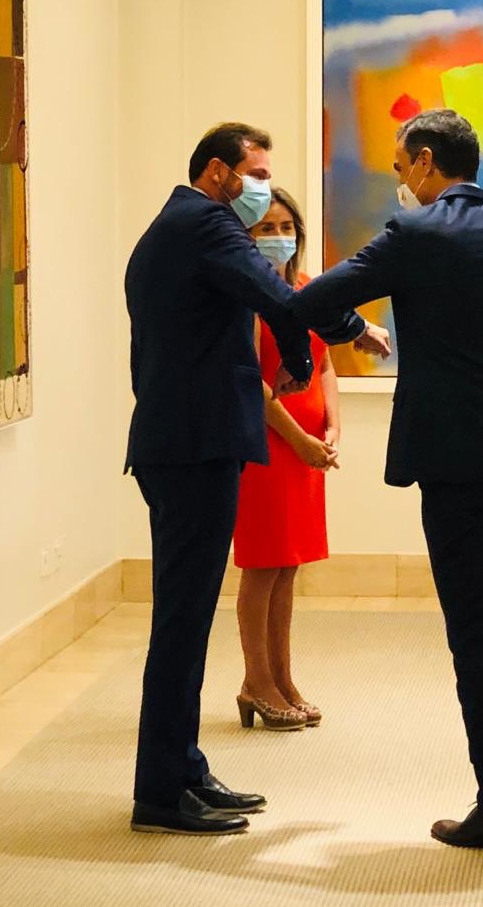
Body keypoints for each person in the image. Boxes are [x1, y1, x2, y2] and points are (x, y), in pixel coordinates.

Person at [292, 109, 483, 854]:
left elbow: (314, 302)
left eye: (401, 168)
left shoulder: (414, 235)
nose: (400, 181)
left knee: (475, 636)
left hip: (455, 469)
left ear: (426, 161)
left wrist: (353, 333)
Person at [124, 123, 390, 836]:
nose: (265, 187)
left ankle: (183, 770)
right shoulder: (206, 225)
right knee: (181, 625)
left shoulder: (180, 226)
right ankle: (161, 791)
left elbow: (265, 304)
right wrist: (347, 327)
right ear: (218, 172)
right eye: (258, 173)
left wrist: (308, 346)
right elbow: (277, 294)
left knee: (185, 622)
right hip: (193, 448)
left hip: (184, 444)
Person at [232, 188, 338, 732]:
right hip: (269, 447)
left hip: (307, 450)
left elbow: (324, 365)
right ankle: (256, 682)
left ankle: (283, 678)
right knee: (263, 565)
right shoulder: (248, 300)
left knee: (288, 566)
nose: (278, 237)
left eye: (285, 226)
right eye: (265, 228)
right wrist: (298, 439)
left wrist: (332, 426)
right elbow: (251, 381)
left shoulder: (306, 291)